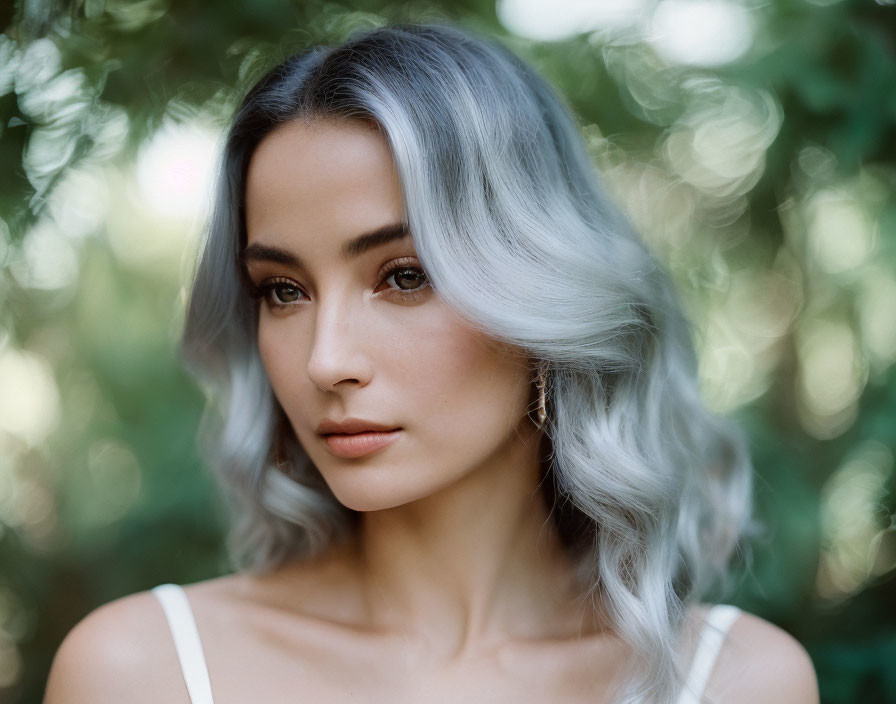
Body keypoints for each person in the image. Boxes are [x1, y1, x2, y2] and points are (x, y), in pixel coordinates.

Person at [44, 22, 818, 704]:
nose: (326, 360)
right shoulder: (142, 669)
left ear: (545, 299)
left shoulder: (736, 681)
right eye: (283, 290)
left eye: (404, 276)